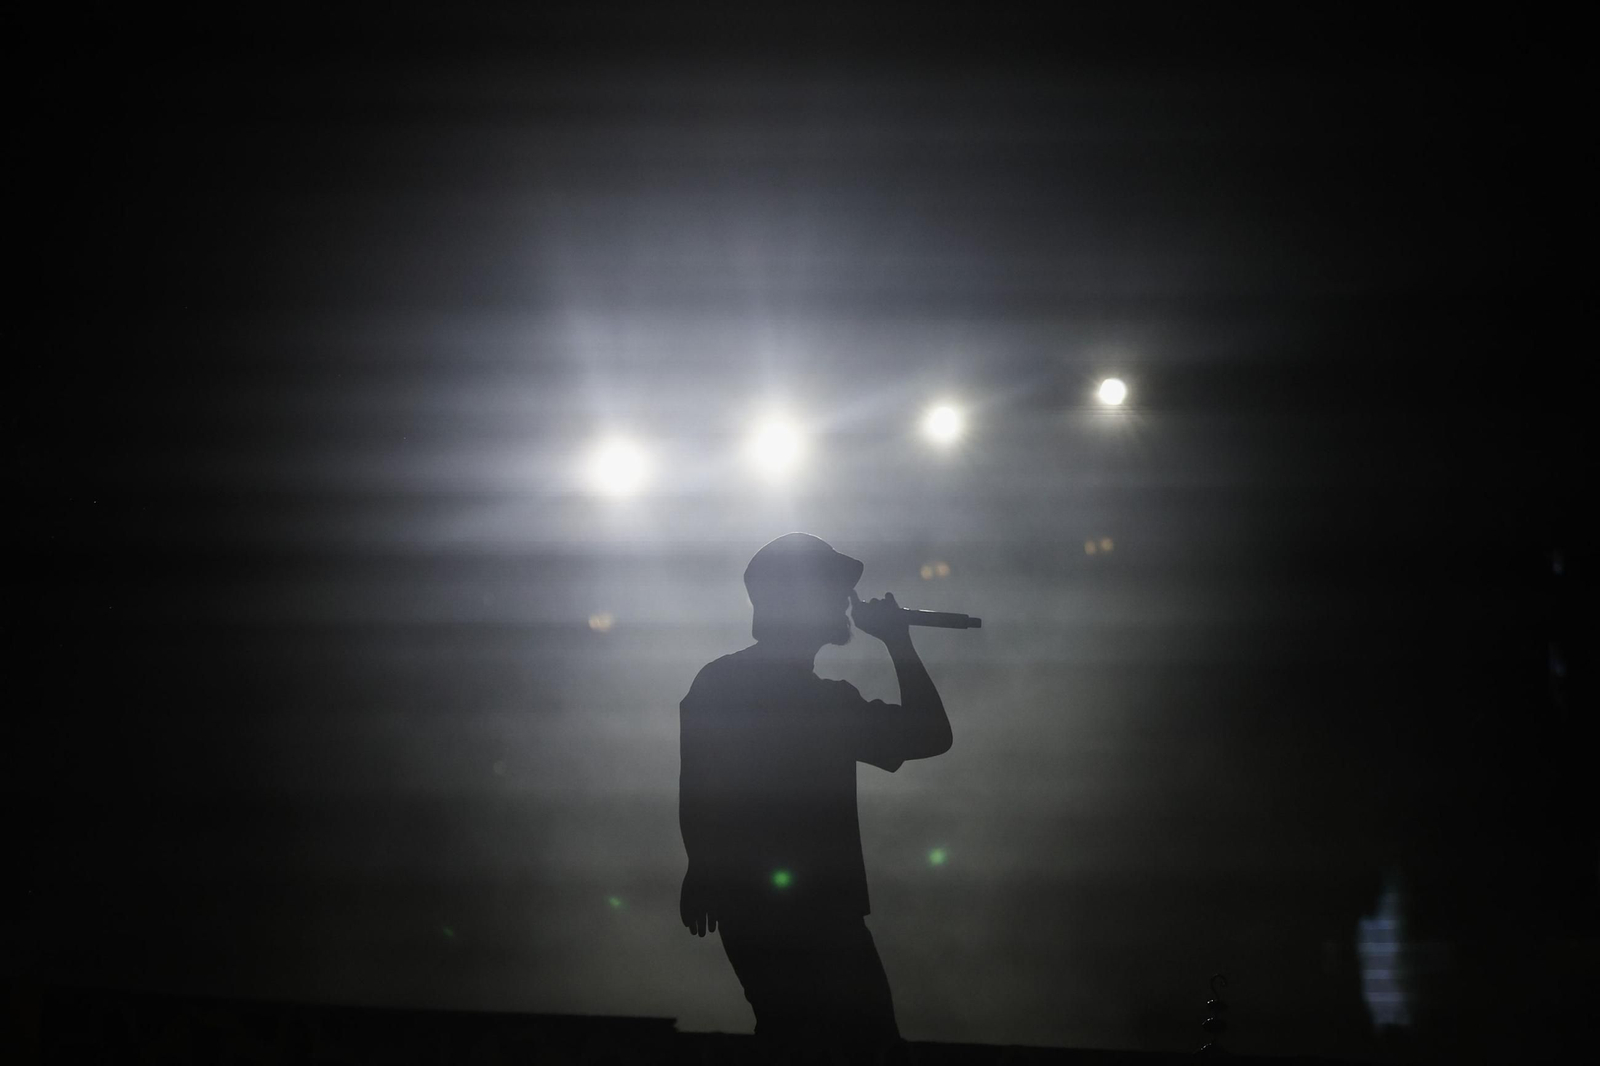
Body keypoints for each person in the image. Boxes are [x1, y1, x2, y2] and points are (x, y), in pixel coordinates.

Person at [679, 532, 954, 1063]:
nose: (844, 602)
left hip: (756, 908)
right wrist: (898, 641)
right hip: (820, 914)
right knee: (862, 1046)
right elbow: (931, 735)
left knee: (792, 1038)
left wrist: (702, 865)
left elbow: (698, 783)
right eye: (830, 589)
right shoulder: (821, 704)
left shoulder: (720, 682)